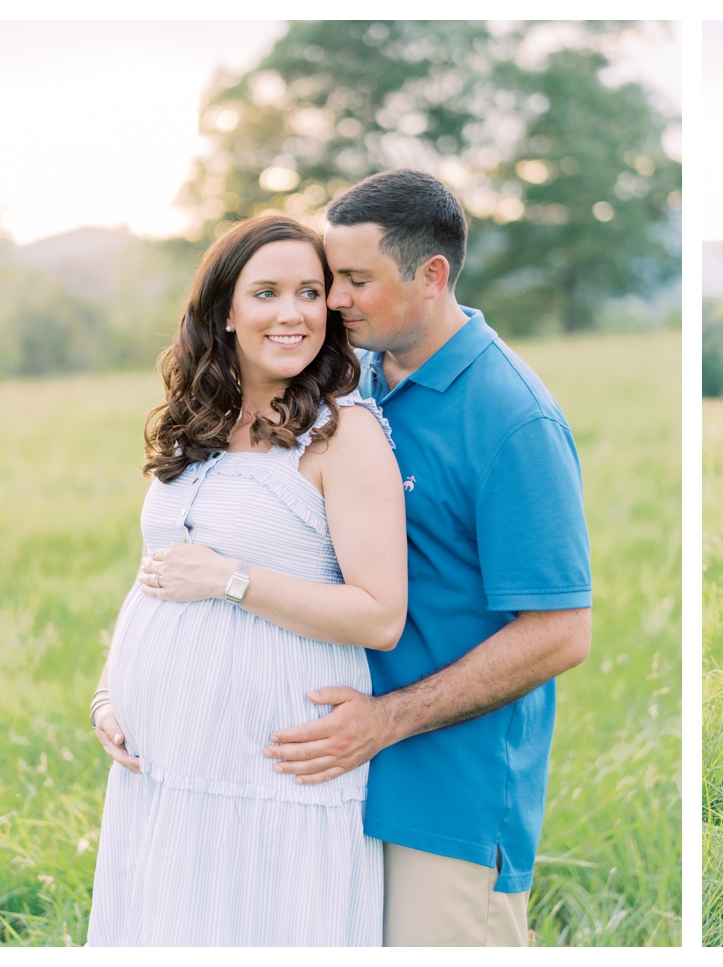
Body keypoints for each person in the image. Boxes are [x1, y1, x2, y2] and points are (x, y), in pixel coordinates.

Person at [258, 169, 594, 947]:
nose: (333, 299)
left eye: (355, 279)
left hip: (454, 797)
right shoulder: (354, 384)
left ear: (432, 274)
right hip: (346, 776)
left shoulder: (513, 417)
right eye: (330, 276)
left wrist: (387, 721)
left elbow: (561, 632)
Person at [87, 214, 407, 945]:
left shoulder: (343, 433)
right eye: (266, 292)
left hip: (271, 766)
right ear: (226, 311)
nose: (292, 313)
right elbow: (158, 574)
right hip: (163, 768)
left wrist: (233, 578)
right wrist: (109, 692)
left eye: (309, 291)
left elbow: (380, 613)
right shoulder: (193, 424)